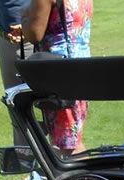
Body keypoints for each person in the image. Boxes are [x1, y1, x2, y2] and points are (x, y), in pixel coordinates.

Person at [22, 0, 93, 154]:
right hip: (81, 67)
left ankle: (85, 171)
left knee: (69, 146)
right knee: (70, 139)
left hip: (59, 74)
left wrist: (24, 17)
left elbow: (34, 34)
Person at [0, 0, 31, 144]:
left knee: (51, 110)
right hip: (8, 42)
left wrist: (29, 25)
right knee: (18, 109)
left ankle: (55, 156)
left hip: (36, 40)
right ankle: (25, 156)